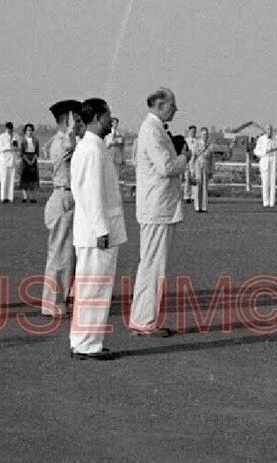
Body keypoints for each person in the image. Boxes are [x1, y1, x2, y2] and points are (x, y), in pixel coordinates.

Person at [70, 98, 126, 360]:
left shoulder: (93, 147)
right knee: (94, 288)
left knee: (90, 288)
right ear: (97, 118)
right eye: (108, 116)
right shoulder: (92, 150)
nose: (110, 120)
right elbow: (91, 194)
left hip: (94, 230)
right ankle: (87, 343)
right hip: (96, 232)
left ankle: (83, 339)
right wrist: (101, 229)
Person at [131, 87, 189, 335]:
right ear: (160, 105)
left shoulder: (155, 129)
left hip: (158, 206)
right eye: (172, 105)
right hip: (156, 207)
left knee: (153, 264)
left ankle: (144, 317)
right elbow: (166, 166)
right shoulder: (151, 130)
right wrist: (184, 157)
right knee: (152, 265)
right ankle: (144, 320)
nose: (176, 109)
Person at [41, 100, 82, 318]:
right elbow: (69, 147)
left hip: (69, 197)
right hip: (63, 196)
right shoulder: (61, 142)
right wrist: (72, 131)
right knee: (59, 253)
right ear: (67, 121)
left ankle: (61, 299)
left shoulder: (67, 140)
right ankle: (52, 301)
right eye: (75, 119)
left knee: (68, 254)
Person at [191, 127, 215, 213]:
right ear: (201, 134)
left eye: (206, 134)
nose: (205, 136)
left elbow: (212, 158)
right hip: (198, 165)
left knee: (205, 187)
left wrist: (212, 170)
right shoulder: (196, 143)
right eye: (204, 134)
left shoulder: (210, 145)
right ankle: (197, 207)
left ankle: (204, 207)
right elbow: (193, 156)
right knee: (197, 186)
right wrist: (192, 169)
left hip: (206, 166)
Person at [254, 129, 277, 208]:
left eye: (270, 129)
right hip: (265, 161)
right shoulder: (261, 139)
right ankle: (266, 202)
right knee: (265, 183)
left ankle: (272, 202)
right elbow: (256, 151)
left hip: (273, 162)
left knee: (273, 183)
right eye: (268, 129)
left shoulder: (276, 139)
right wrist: (265, 152)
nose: (269, 131)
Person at [0, 122, 20, 203]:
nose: (10, 130)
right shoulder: (1, 137)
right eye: (8, 128)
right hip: (4, 160)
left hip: (13, 160)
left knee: (11, 179)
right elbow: (0, 149)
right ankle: (3, 197)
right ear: (6, 128)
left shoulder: (16, 136)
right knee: (4, 179)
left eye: (11, 128)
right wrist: (9, 145)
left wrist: (15, 146)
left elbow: (18, 147)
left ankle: (10, 197)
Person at [19, 123, 40, 204]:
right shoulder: (22, 140)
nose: (29, 132)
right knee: (24, 178)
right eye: (28, 130)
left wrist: (33, 160)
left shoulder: (36, 140)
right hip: (25, 160)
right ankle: (24, 196)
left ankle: (31, 197)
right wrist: (27, 160)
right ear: (25, 131)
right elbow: (22, 152)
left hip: (33, 159)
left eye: (31, 130)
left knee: (32, 179)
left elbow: (37, 152)